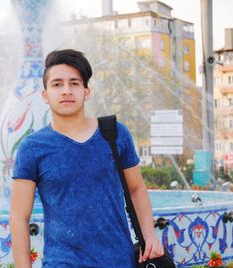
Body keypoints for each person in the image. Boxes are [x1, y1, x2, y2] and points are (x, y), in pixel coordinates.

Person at [10, 49, 164, 267]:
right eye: (57, 84)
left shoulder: (114, 134)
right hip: (62, 262)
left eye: (74, 83)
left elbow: (136, 188)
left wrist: (149, 236)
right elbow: (19, 216)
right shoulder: (33, 147)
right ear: (45, 95)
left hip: (118, 260)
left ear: (86, 91)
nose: (66, 91)